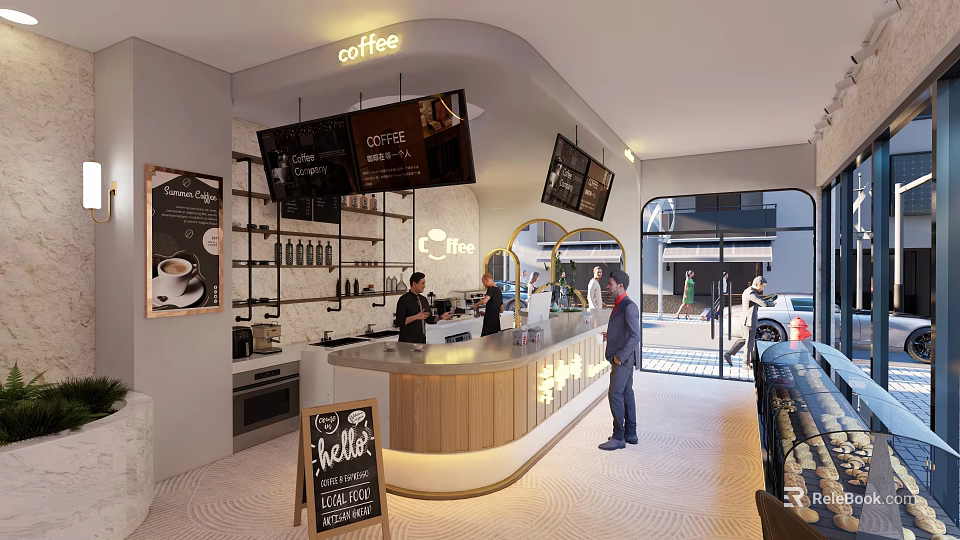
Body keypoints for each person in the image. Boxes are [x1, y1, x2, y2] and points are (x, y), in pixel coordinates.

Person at [598, 270, 640, 451]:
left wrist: (619, 357)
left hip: (623, 359)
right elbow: (625, 331)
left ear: (620, 286)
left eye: (611, 284)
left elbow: (635, 336)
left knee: (615, 394)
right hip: (626, 357)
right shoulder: (620, 304)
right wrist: (612, 335)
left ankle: (618, 437)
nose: (607, 286)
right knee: (626, 393)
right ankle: (631, 433)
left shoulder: (628, 306)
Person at [723, 276, 775, 369]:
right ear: (757, 284)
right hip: (749, 321)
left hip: (747, 320)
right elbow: (762, 303)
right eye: (762, 286)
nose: (763, 288)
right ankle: (745, 364)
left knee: (744, 340)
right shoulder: (751, 293)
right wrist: (772, 303)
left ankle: (729, 354)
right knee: (749, 342)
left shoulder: (749, 291)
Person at [394, 272, 451, 343]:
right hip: (407, 342)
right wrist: (416, 317)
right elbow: (399, 322)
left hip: (422, 341)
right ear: (414, 284)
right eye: (422, 283)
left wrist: (440, 317)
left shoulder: (423, 299)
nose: (424, 286)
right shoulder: (403, 300)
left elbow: (429, 319)